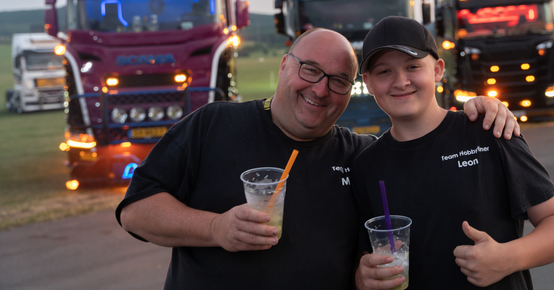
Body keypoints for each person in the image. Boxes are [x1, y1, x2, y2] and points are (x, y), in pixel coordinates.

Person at [116, 27, 520, 289]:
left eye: (339, 81)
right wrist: (216, 228)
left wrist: (481, 110)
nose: (321, 89)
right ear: (283, 66)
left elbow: (422, 160)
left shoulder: (362, 158)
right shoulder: (213, 124)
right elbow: (136, 210)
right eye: (309, 70)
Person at [352, 16, 554, 289]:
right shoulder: (366, 166)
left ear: (438, 70)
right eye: (384, 72)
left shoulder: (488, 131)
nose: (401, 81)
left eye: (413, 66)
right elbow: (362, 258)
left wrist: (508, 258)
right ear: (368, 82)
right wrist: (362, 277)